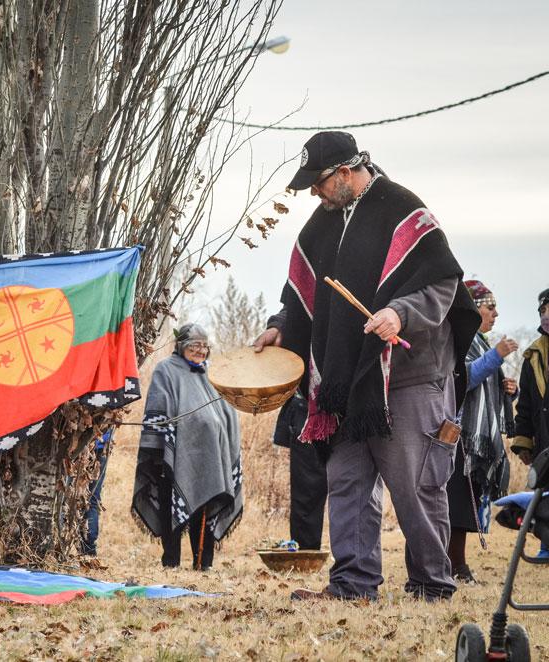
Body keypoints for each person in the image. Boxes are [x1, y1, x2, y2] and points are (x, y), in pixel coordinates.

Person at [254, 131, 480, 602]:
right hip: (345, 383)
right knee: (347, 484)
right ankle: (353, 583)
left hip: (410, 377)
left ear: (344, 172)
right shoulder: (322, 224)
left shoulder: (404, 210)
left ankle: (431, 583)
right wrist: (280, 326)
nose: (314, 193)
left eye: (317, 182)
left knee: (416, 486)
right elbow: (303, 296)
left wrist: (401, 313)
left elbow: (442, 287)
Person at [132, 323, 242, 570]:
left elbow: (227, 410)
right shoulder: (166, 371)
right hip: (172, 456)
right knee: (172, 504)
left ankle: (203, 563)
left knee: (206, 505)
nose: (201, 351)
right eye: (195, 346)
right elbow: (161, 409)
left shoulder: (212, 374)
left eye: (205, 346)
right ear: (181, 346)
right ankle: (171, 561)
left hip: (211, 458)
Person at [446, 280, 516, 583]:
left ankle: (457, 565)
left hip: (473, 439)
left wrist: (506, 391)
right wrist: (496, 356)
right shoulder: (460, 339)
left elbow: (484, 389)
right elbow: (463, 378)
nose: (496, 314)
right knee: (456, 503)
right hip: (459, 437)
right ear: (474, 309)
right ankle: (455, 566)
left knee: (465, 502)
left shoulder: (480, 342)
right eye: (490, 307)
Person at [272, 393, 328, 550]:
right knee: (307, 488)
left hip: (348, 406)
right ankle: (305, 552)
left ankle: (354, 558)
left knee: (351, 487)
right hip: (308, 408)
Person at [511, 288, 549, 467]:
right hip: (544, 447)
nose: (546, 315)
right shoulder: (533, 356)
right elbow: (526, 402)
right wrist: (524, 442)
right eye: (543, 311)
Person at [82, 429, 113, 556]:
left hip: (80, 443)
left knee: (71, 498)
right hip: (101, 445)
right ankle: (89, 550)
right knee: (92, 499)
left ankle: (85, 548)